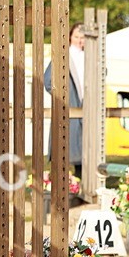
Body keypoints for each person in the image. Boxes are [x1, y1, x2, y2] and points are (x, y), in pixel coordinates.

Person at [43, 23, 86, 177]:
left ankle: (82, 188)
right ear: (70, 37)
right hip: (68, 107)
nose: (80, 40)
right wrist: (63, 98)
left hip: (86, 108)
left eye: (83, 37)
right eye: (77, 37)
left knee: (85, 152)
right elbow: (48, 81)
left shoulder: (90, 57)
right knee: (66, 150)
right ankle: (66, 187)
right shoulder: (63, 56)